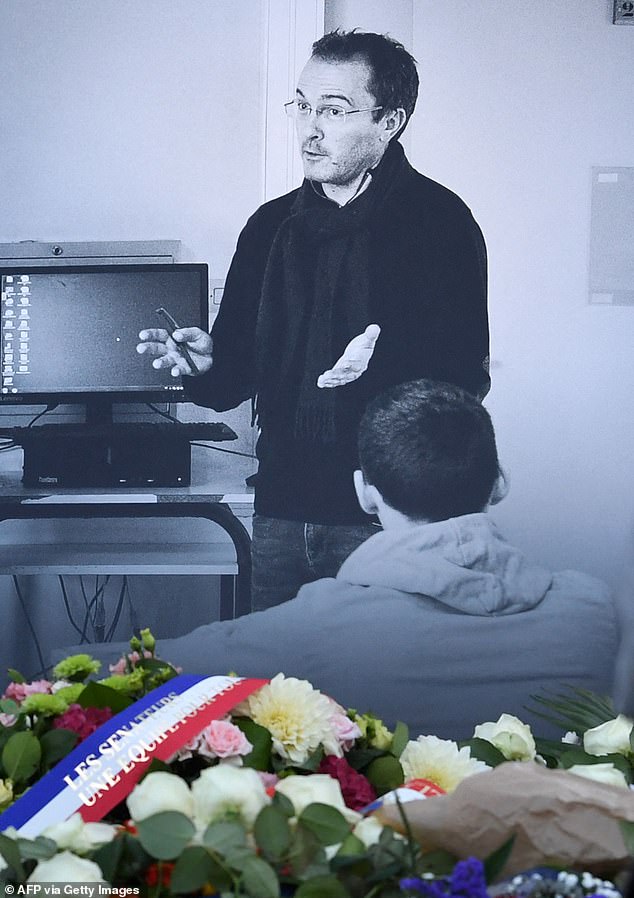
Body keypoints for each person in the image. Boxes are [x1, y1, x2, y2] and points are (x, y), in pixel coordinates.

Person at [137, 30, 490, 610]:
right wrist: (204, 365)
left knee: (381, 697)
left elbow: (465, 387)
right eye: (302, 106)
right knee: (281, 696)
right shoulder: (270, 227)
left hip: (389, 517)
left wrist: (380, 369)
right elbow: (233, 383)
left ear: (390, 120)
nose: (310, 128)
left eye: (333, 110)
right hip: (280, 510)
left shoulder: (441, 224)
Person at [83, 380, 618, 739]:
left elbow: (106, 676)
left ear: (365, 492)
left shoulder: (314, 625)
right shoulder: (596, 611)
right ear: (499, 485)